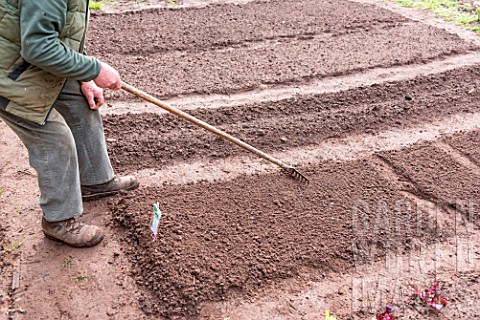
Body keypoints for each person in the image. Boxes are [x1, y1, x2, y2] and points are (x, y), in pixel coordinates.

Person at [0, 0, 139, 247]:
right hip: (10, 75)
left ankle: (96, 181)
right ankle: (58, 220)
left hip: (29, 64)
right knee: (54, 138)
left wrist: (85, 76)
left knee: (81, 99)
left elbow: (64, 30)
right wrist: (95, 69)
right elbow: (38, 47)